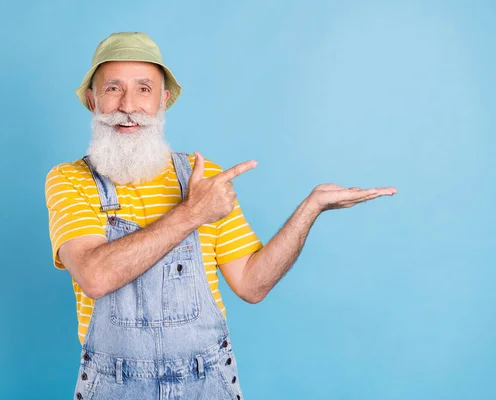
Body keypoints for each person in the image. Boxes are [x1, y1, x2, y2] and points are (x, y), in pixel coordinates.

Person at [45, 32, 397, 400]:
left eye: (144, 89)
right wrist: (193, 212)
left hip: (207, 382)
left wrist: (309, 209)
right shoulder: (69, 180)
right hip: (113, 385)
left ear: (163, 101)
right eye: (113, 88)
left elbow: (251, 284)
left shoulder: (203, 178)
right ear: (92, 101)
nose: (129, 105)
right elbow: (95, 276)